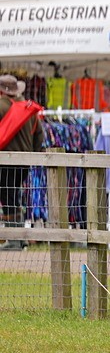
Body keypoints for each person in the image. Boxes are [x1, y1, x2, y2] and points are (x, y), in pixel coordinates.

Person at [0, 74, 44, 250]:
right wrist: (32, 153)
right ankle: (20, 237)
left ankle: (13, 239)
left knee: (8, 198)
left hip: (5, 161)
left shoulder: (1, 106)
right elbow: (39, 135)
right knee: (15, 198)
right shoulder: (27, 108)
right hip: (24, 162)